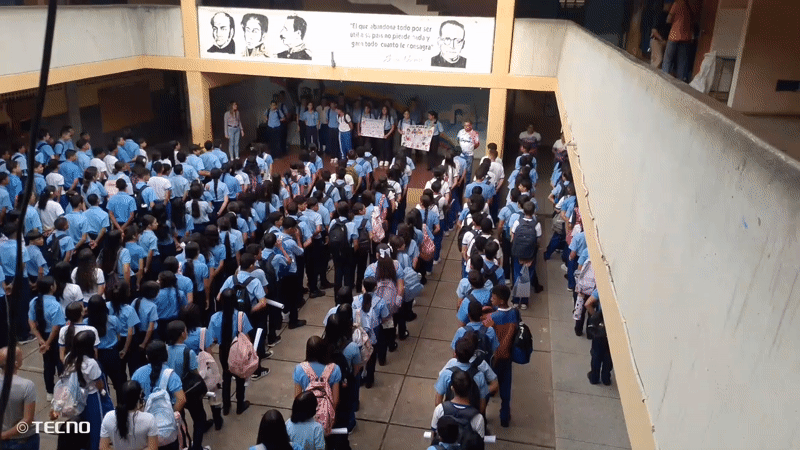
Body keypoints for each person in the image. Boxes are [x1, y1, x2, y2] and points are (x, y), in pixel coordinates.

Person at [131, 340, 186, 450]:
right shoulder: (171, 375)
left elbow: (132, 399)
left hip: (146, 423)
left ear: (147, 357)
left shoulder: (138, 373)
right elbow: (181, 399)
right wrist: (170, 413)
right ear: (166, 356)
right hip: (168, 429)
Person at [27, 276, 66, 402]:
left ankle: (49, 392)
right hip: (55, 339)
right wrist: (48, 343)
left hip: (43, 337)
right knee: (61, 364)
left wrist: (41, 340)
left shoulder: (34, 302)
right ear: (51, 287)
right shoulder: (55, 305)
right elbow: (56, 328)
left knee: (48, 365)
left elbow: (32, 323)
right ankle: (63, 391)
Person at [486, 284, 519, 427]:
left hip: (494, 358)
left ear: (501, 301)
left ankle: (482, 414)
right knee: (506, 387)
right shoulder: (514, 313)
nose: (491, 299)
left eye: (493, 298)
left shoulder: (492, 317)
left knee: (488, 386)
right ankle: (504, 417)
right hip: (507, 356)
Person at [99, 380, 159, 450]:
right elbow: (153, 448)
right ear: (140, 396)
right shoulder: (149, 419)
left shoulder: (108, 417)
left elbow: (103, 447)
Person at [0, 346, 38, 450]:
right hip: (23, 440)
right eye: (21, 356)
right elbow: (27, 420)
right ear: (16, 364)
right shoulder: (27, 386)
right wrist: (5, 435)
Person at [585, 289, 613, 386]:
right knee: (609, 355)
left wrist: (596, 317)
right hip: (614, 329)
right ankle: (606, 378)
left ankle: (594, 377)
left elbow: (587, 304)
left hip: (601, 327)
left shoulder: (603, 287)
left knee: (596, 354)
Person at [662, 0, 694, 82]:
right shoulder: (691, 6)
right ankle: (680, 83)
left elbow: (668, 19)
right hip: (686, 38)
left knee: (667, 61)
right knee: (682, 64)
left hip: (674, 36)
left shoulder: (677, 3)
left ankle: (663, 80)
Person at [650, 1, 672, 68]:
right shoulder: (659, 15)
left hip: (664, 41)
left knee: (660, 61)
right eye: (670, 5)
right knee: (657, 60)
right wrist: (661, 39)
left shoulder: (670, 17)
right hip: (657, 40)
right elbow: (654, 30)